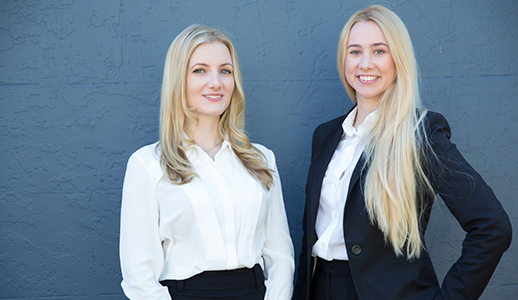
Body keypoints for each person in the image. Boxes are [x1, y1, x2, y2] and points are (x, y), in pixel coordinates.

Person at [293, 5, 512, 300]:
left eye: (379, 51)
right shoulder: (326, 135)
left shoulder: (421, 134)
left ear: (398, 60)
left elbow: (492, 227)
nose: (365, 63)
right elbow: (311, 238)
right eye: (355, 51)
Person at [120, 24, 294, 300]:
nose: (216, 82)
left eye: (225, 70)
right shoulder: (147, 165)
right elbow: (138, 277)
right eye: (200, 70)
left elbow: (280, 254)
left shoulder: (261, 159)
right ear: (179, 79)